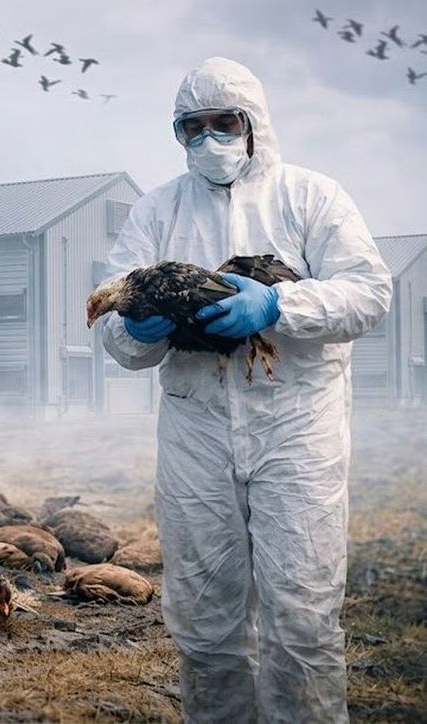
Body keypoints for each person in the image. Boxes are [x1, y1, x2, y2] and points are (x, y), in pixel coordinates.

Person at [100, 57, 391, 722]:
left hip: (297, 432)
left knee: (303, 619)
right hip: (195, 433)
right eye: (191, 127)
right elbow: (116, 335)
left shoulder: (311, 197)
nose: (210, 139)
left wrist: (280, 307)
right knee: (204, 625)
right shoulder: (157, 210)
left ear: (253, 124)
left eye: (223, 122)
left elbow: (370, 293)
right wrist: (138, 328)